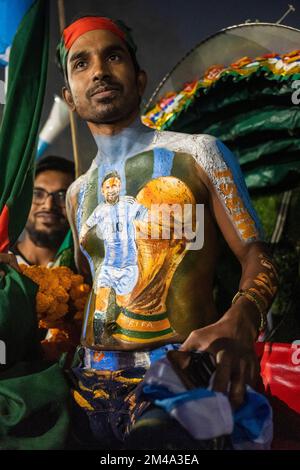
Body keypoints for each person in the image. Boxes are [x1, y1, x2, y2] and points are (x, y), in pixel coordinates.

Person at [56, 16, 279, 449]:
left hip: (176, 375)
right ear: (70, 98)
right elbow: (89, 289)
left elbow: (259, 256)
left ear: (139, 80)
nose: (99, 70)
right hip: (86, 386)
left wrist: (241, 318)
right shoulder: (76, 194)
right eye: (81, 64)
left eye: (113, 56)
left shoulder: (198, 154)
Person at [10, 156, 75, 267]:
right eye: (38, 194)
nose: (48, 205)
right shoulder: (4, 263)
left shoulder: (88, 274)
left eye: (62, 196)